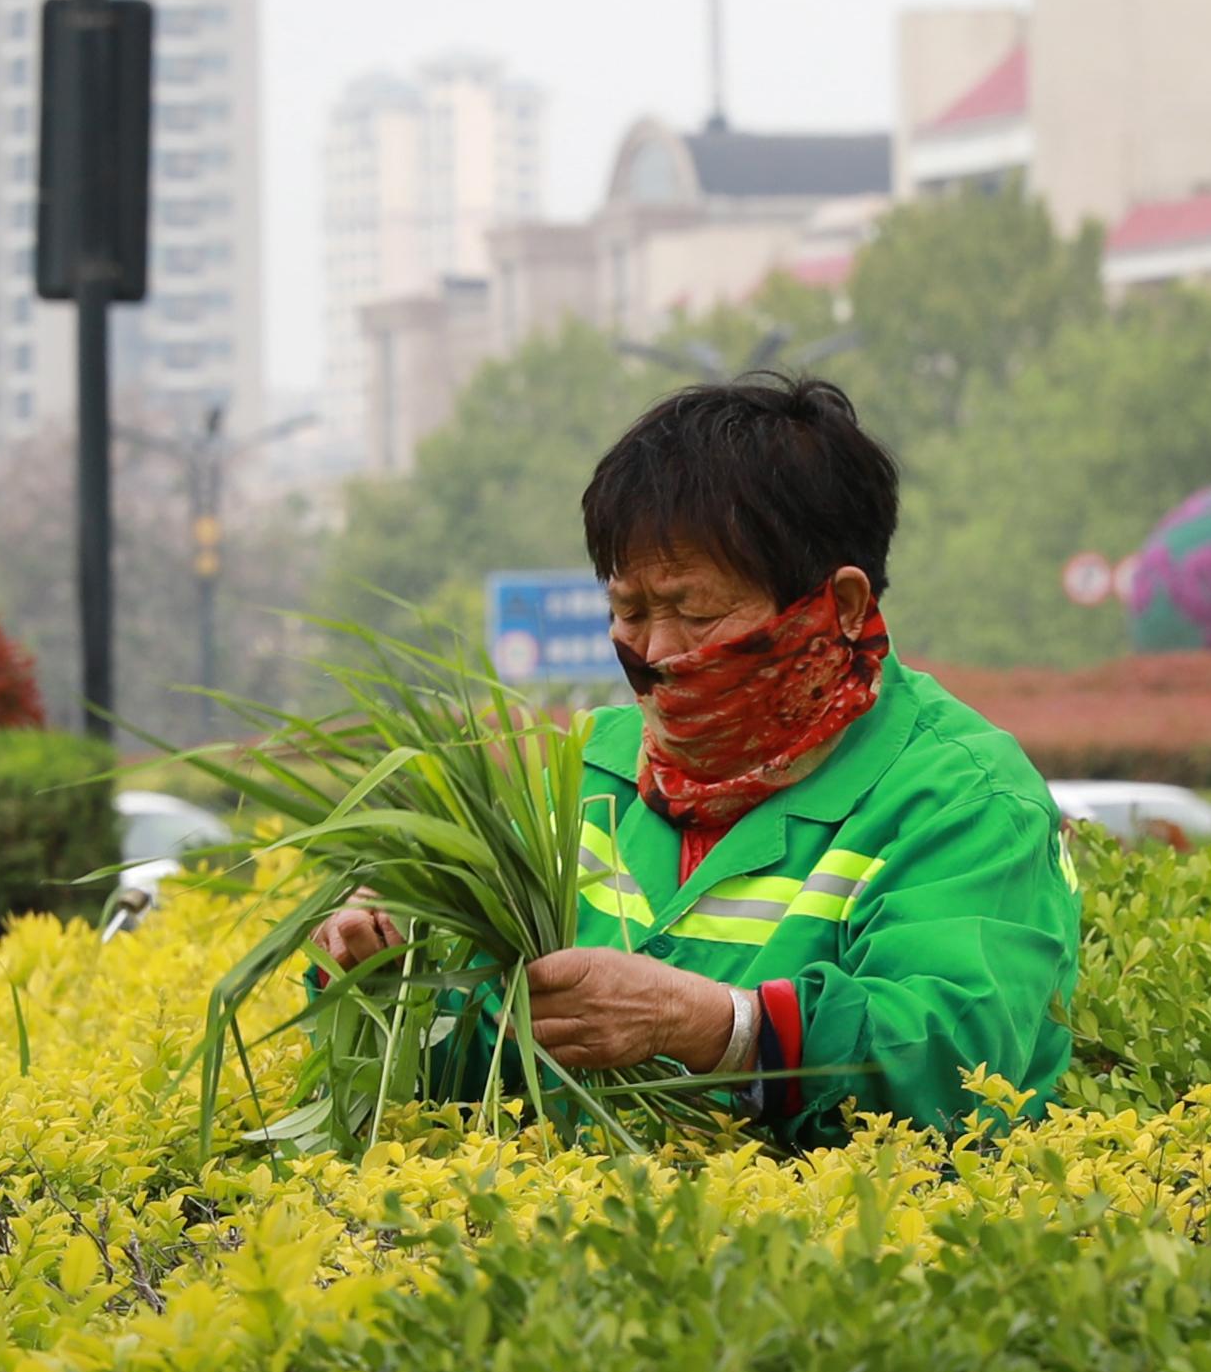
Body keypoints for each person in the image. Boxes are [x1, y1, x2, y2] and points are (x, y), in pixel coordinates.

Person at [317, 374, 1081, 1142]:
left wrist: (714, 1026)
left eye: (693, 610)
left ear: (840, 607)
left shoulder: (960, 796)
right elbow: (467, 1068)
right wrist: (386, 971)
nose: (654, 651)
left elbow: (960, 1069)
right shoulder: (575, 774)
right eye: (629, 610)